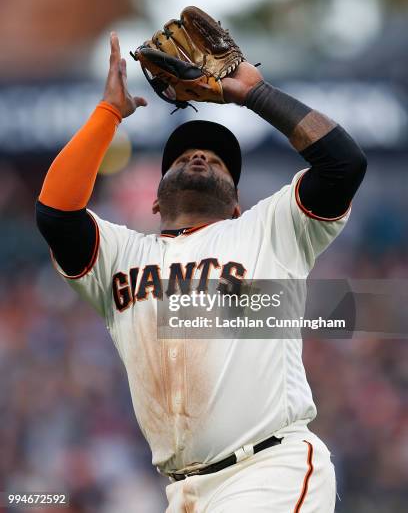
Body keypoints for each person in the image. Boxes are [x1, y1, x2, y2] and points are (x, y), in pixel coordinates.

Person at [36, 31, 367, 512]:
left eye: (217, 161)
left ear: (236, 204)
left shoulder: (269, 231)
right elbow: (56, 214)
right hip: (183, 492)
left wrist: (253, 93)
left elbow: (343, 164)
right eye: (186, 156)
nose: (199, 157)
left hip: (269, 471)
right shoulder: (121, 255)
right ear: (153, 200)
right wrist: (108, 115)